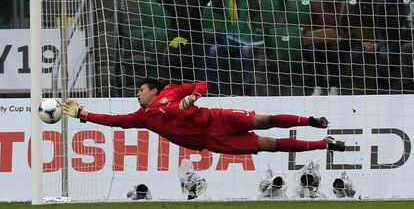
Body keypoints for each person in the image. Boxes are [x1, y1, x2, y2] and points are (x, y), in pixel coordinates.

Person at [63, 78, 346, 155]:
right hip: (210, 140)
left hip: (216, 118)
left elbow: (201, 83)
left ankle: (309, 121)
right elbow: (115, 121)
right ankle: (324, 143)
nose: (137, 95)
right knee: (269, 145)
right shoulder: (142, 116)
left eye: (140, 90)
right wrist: (83, 114)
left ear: (153, 90)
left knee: (265, 119)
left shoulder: (172, 92)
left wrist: (195, 96)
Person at [206, 0, 264, 96]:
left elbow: (256, 9)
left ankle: (248, 85)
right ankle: (216, 87)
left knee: (246, 49)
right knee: (213, 50)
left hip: (245, 40)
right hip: (227, 41)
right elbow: (215, 8)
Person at [350, 0, 405, 94]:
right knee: (354, 54)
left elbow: (396, 27)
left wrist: (378, 44)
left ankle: (385, 89)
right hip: (366, 40)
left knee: (384, 54)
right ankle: (362, 89)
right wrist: (363, 42)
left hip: (388, 40)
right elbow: (355, 24)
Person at [155, 0, 210, 82]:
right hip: (177, 39)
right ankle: (174, 85)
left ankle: (193, 85)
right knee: (170, 57)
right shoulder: (172, 0)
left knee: (190, 59)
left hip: (195, 40)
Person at [302, 0, 351, 96]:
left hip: (338, 41)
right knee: (313, 50)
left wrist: (342, 37)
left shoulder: (346, 7)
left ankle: (334, 86)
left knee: (335, 50)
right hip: (319, 41)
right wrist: (311, 35)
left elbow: (352, 30)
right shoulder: (317, 6)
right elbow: (309, 26)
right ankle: (317, 85)